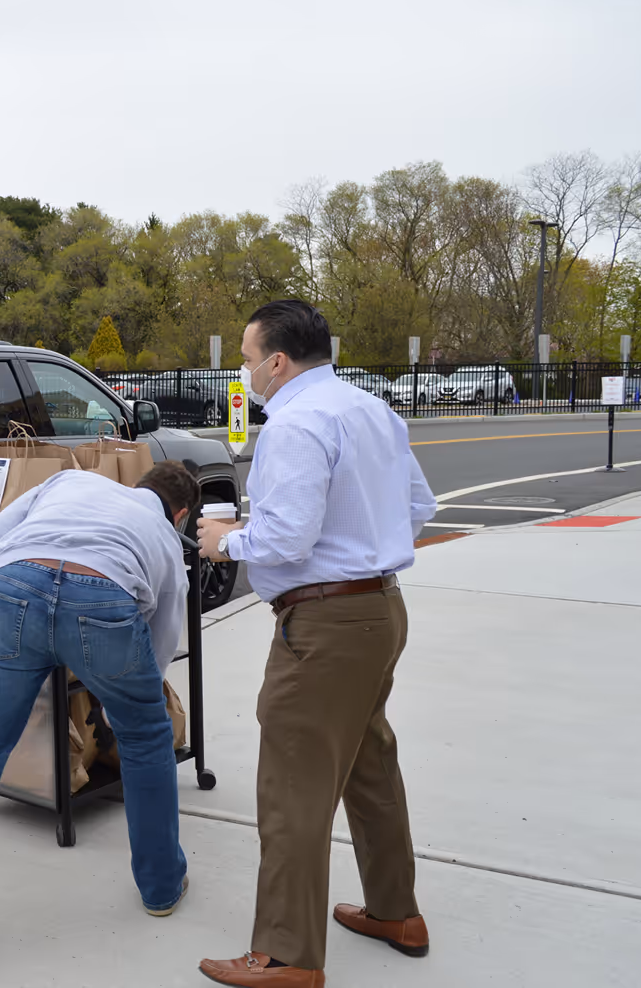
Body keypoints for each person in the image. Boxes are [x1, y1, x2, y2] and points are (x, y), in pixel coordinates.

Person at [195, 299, 438, 988]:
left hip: (326, 623)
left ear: (277, 361)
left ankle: (286, 954)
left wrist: (226, 541)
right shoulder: (371, 410)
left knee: (293, 786)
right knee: (369, 765)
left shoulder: (295, 423)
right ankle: (396, 912)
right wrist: (362, 547)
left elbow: (287, 537)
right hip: (380, 607)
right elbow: (419, 507)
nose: (244, 373)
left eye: (247, 359)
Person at [0, 461, 201, 985]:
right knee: (147, 741)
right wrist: (127, 704)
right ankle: (161, 888)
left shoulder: (70, 480)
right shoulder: (165, 536)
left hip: (12, 587)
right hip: (104, 594)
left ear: (137, 486)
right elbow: (162, 643)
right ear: (181, 514)